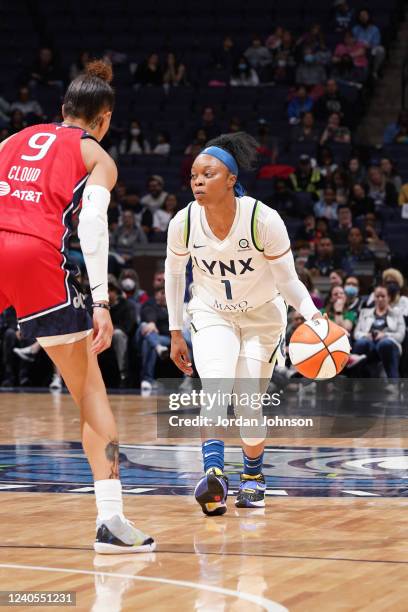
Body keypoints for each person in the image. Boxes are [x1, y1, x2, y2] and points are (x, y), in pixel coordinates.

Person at [0, 59, 154, 553]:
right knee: (90, 390)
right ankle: (110, 519)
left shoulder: (14, 139)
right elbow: (92, 227)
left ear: (61, 108)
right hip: (33, 255)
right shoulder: (96, 155)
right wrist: (102, 301)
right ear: (103, 119)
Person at [165, 132, 324, 515]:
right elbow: (173, 276)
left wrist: (314, 315)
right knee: (216, 393)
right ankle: (214, 477)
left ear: (232, 179)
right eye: (193, 175)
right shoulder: (184, 222)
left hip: (262, 317)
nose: (198, 181)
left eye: (208, 174)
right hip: (211, 313)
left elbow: (288, 280)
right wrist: (174, 331)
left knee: (248, 404)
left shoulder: (263, 219)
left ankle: (253, 476)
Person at [353, 285, 406, 378]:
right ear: (374, 298)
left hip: (388, 344)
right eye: (377, 296)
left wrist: (385, 335)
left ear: (389, 297)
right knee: (361, 343)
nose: (380, 299)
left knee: (385, 343)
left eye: (383, 296)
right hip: (369, 343)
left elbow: (401, 336)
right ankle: (357, 382)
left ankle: (393, 383)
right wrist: (366, 335)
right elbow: (356, 334)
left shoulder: (397, 313)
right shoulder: (364, 312)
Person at [352, 9, 385, 79]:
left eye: (365, 15)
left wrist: (369, 46)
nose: (363, 17)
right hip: (358, 49)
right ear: (359, 18)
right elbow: (353, 41)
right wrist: (360, 45)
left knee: (381, 50)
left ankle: (374, 71)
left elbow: (376, 43)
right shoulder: (355, 29)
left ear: (368, 16)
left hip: (371, 49)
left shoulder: (375, 29)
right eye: (361, 16)